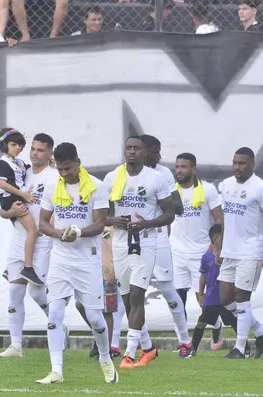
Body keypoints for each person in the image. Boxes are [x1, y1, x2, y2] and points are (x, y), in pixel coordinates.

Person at [36, 143, 118, 385]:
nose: (63, 173)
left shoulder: (96, 186)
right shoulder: (52, 185)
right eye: (59, 168)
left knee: (94, 317)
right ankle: (56, 371)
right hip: (60, 259)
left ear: (78, 162)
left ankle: (105, 357)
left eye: (67, 168)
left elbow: (101, 223)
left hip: (87, 259)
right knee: (55, 313)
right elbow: (42, 223)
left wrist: (78, 233)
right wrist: (59, 233)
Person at [103, 136, 175, 368]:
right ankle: (149, 348)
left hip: (145, 242)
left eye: (136, 148)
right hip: (120, 243)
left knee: (136, 297)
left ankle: (129, 354)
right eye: (128, 148)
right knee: (126, 299)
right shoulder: (113, 177)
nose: (131, 152)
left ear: (145, 152)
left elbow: (170, 213)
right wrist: (114, 220)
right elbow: (100, 213)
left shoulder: (157, 178)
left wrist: (147, 223)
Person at [0, 133, 65, 358]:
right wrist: (11, 211)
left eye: (41, 150)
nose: (35, 154)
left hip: (42, 241)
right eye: (33, 149)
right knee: (15, 291)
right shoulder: (19, 171)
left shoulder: (54, 176)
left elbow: (61, 207)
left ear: (50, 154)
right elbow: (3, 211)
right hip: (20, 237)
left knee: (37, 292)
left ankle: (58, 325)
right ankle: (15, 345)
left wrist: (52, 226)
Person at [135, 135, 195, 358]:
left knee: (169, 292)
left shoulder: (163, 173)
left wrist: (161, 201)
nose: (159, 156)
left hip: (158, 238)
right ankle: (146, 346)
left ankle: (185, 342)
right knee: (131, 294)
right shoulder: (121, 174)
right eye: (155, 152)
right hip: (131, 241)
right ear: (142, 151)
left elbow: (177, 207)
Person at [219, 147, 263, 359]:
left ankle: (240, 347)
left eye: (242, 163)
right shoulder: (226, 185)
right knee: (225, 299)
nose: (237, 167)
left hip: (251, 251)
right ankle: (261, 332)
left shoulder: (260, 188)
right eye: (235, 163)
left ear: (252, 164)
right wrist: (220, 247)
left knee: (242, 296)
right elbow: (227, 219)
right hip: (230, 250)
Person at [170, 153, 224, 352]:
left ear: (193, 169)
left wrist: (214, 246)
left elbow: (220, 221)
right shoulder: (170, 190)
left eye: (184, 167)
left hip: (201, 252)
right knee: (176, 299)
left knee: (202, 300)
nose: (179, 170)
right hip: (176, 252)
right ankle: (183, 342)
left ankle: (216, 325)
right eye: (177, 167)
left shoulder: (208, 190)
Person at [0, 128, 43, 287]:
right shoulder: (3, 163)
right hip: (11, 200)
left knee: (24, 233)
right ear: (5, 145)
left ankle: (11, 268)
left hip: (18, 198)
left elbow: (31, 171)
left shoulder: (19, 163)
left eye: (20, 145)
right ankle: (27, 268)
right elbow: (3, 184)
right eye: (13, 144)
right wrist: (23, 195)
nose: (17, 148)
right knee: (32, 231)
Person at [76, 226, 121, 360]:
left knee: (107, 311)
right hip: (88, 271)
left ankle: (107, 349)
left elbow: (118, 249)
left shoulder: (112, 227)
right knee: (80, 305)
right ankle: (100, 337)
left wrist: (114, 269)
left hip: (107, 272)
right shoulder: (87, 224)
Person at [191, 224, 228, 354]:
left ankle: (244, 348)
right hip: (212, 296)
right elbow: (202, 277)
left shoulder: (229, 256)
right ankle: (192, 349)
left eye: (222, 237)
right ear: (212, 239)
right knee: (201, 322)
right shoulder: (206, 257)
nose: (219, 240)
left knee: (236, 322)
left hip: (227, 295)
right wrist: (201, 294)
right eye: (216, 237)